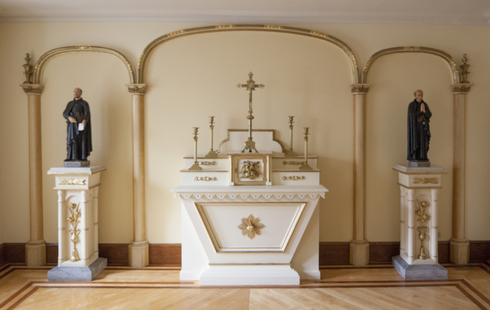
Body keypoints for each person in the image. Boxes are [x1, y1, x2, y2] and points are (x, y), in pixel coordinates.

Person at [63, 88, 92, 161]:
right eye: (74, 92)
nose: (75, 93)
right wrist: (69, 117)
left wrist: (84, 120)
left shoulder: (84, 103)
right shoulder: (70, 103)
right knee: (71, 140)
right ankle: (71, 157)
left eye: (77, 92)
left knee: (81, 141)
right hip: (72, 126)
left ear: (81, 93)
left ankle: (81, 157)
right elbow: (65, 113)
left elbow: (87, 113)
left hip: (81, 125)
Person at [407, 90, 431, 163]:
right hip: (415, 128)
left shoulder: (425, 104)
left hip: (423, 128)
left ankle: (423, 156)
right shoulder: (411, 105)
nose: (420, 97)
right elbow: (411, 115)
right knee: (416, 141)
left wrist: (424, 111)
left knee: (424, 142)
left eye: (421, 95)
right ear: (415, 96)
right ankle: (415, 156)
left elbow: (429, 114)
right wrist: (420, 111)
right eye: (418, 95)